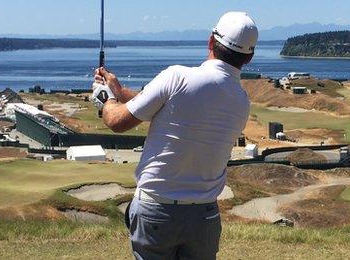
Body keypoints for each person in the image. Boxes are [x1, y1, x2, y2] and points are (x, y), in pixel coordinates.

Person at [91, 12, 258, 260]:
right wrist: (119, 90)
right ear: (249, 57)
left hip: (157, 209)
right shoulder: (241, 101)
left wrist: (105, 98)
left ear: (211, 42)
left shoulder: (177, 76)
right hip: (205, 216)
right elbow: (167, 102)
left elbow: (117, 121)